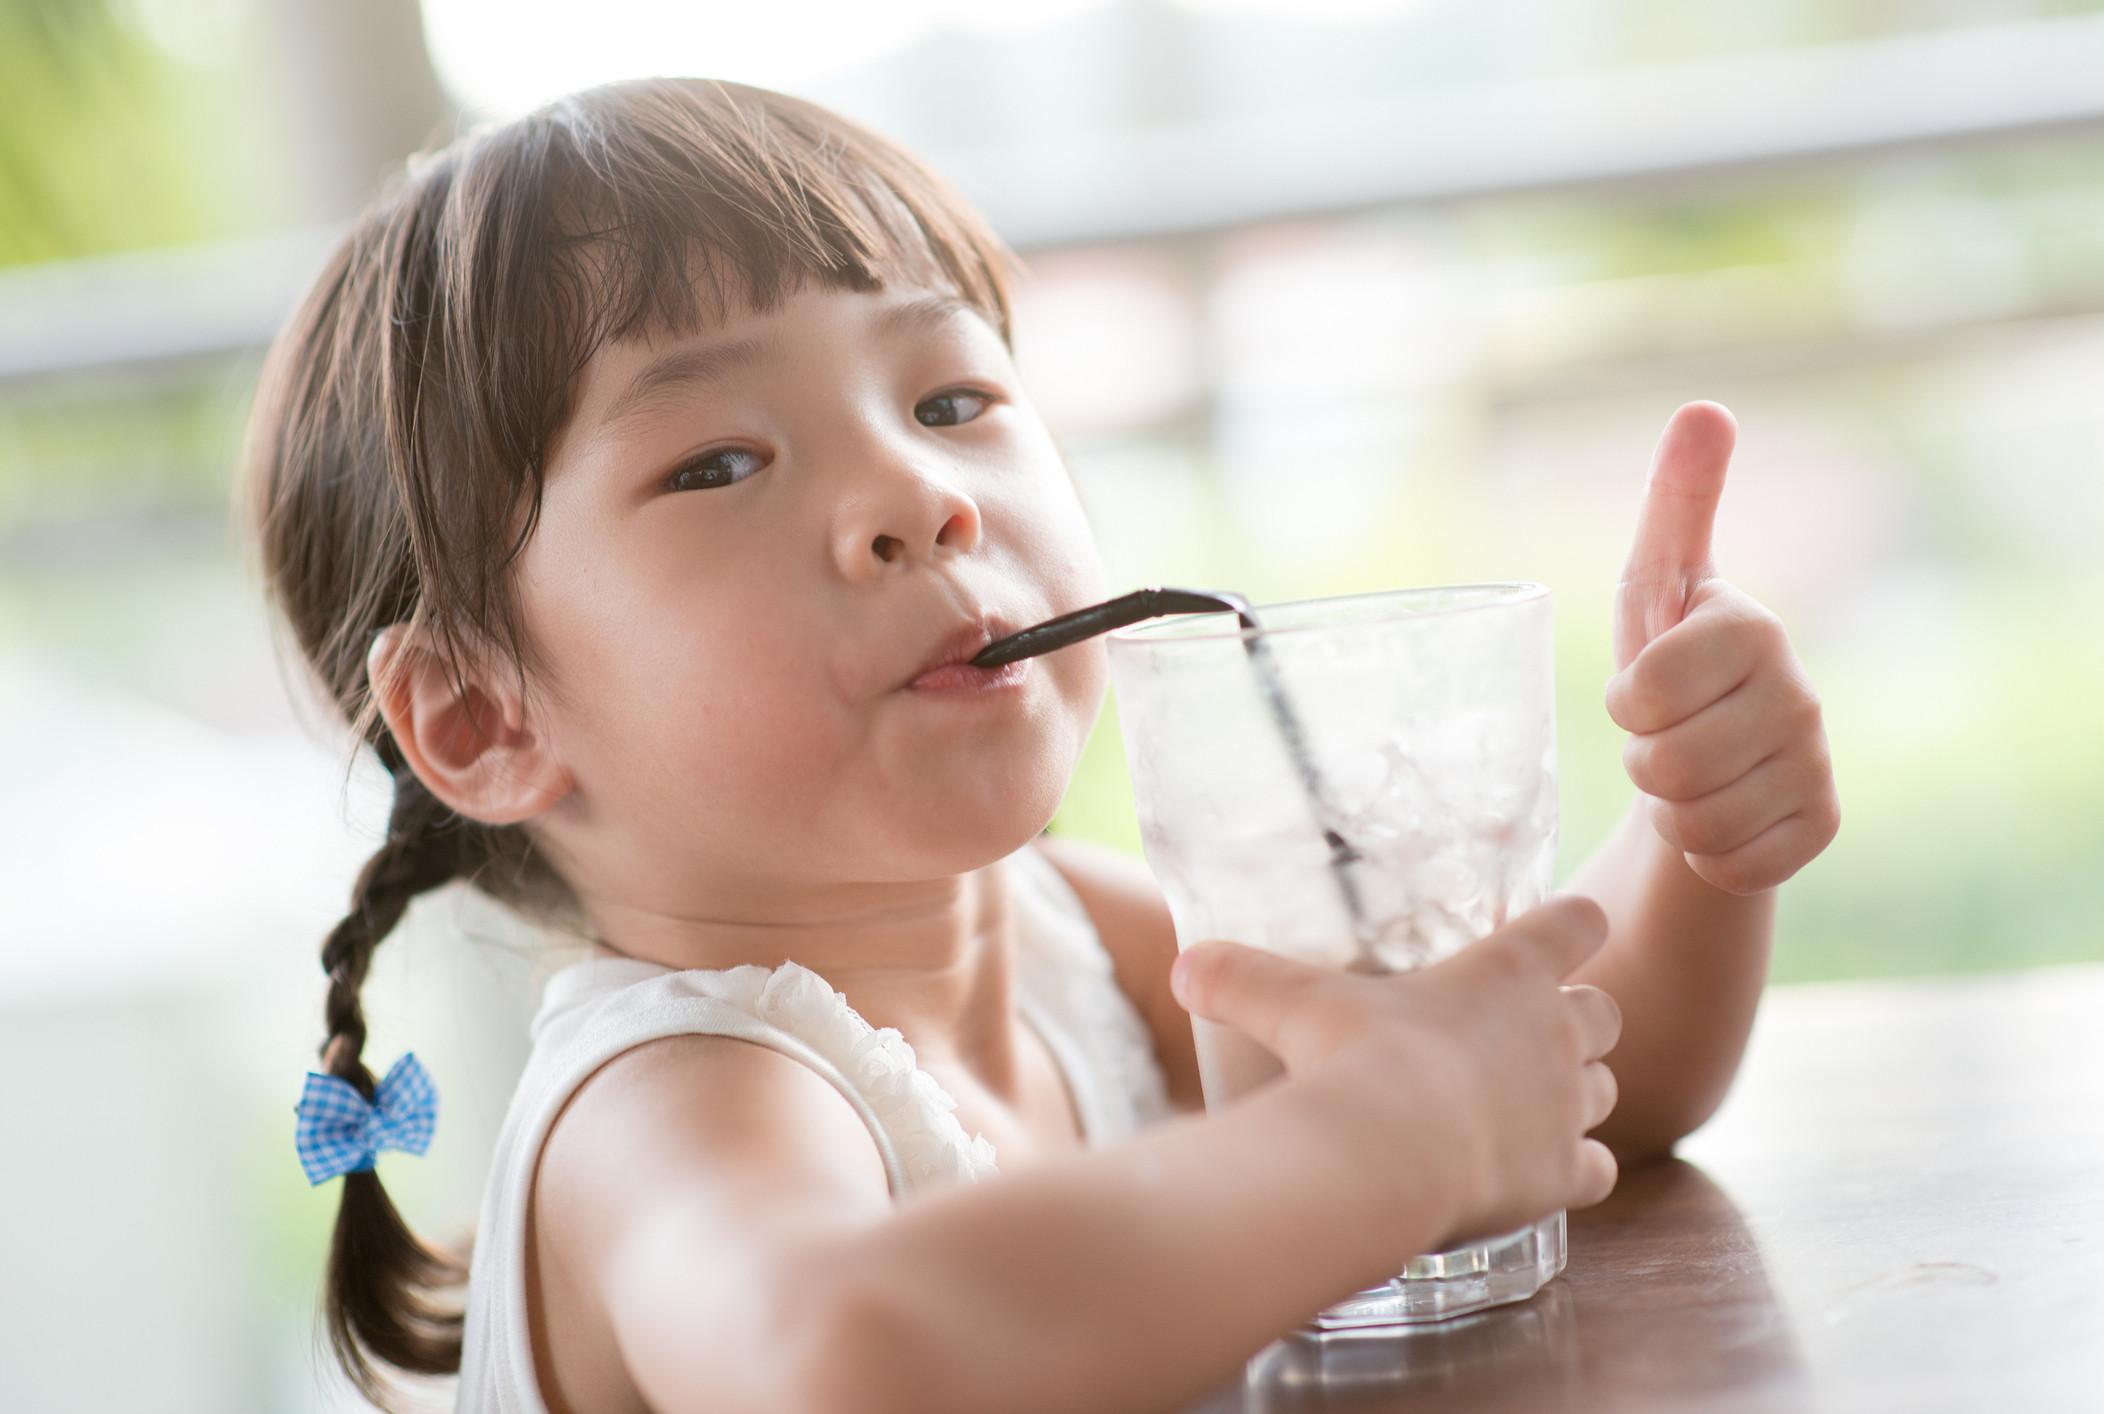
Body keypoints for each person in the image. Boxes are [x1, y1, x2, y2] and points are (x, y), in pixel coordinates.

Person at [248, 79, 1838, 1414]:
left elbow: (1556, 1086)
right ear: (483, 716)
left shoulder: (1083, 941)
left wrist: (1691, 833)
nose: (919, 497)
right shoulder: (668, 1099)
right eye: (721, 459)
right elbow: (850, 1347)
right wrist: (1381, 1141)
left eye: (948, 400)